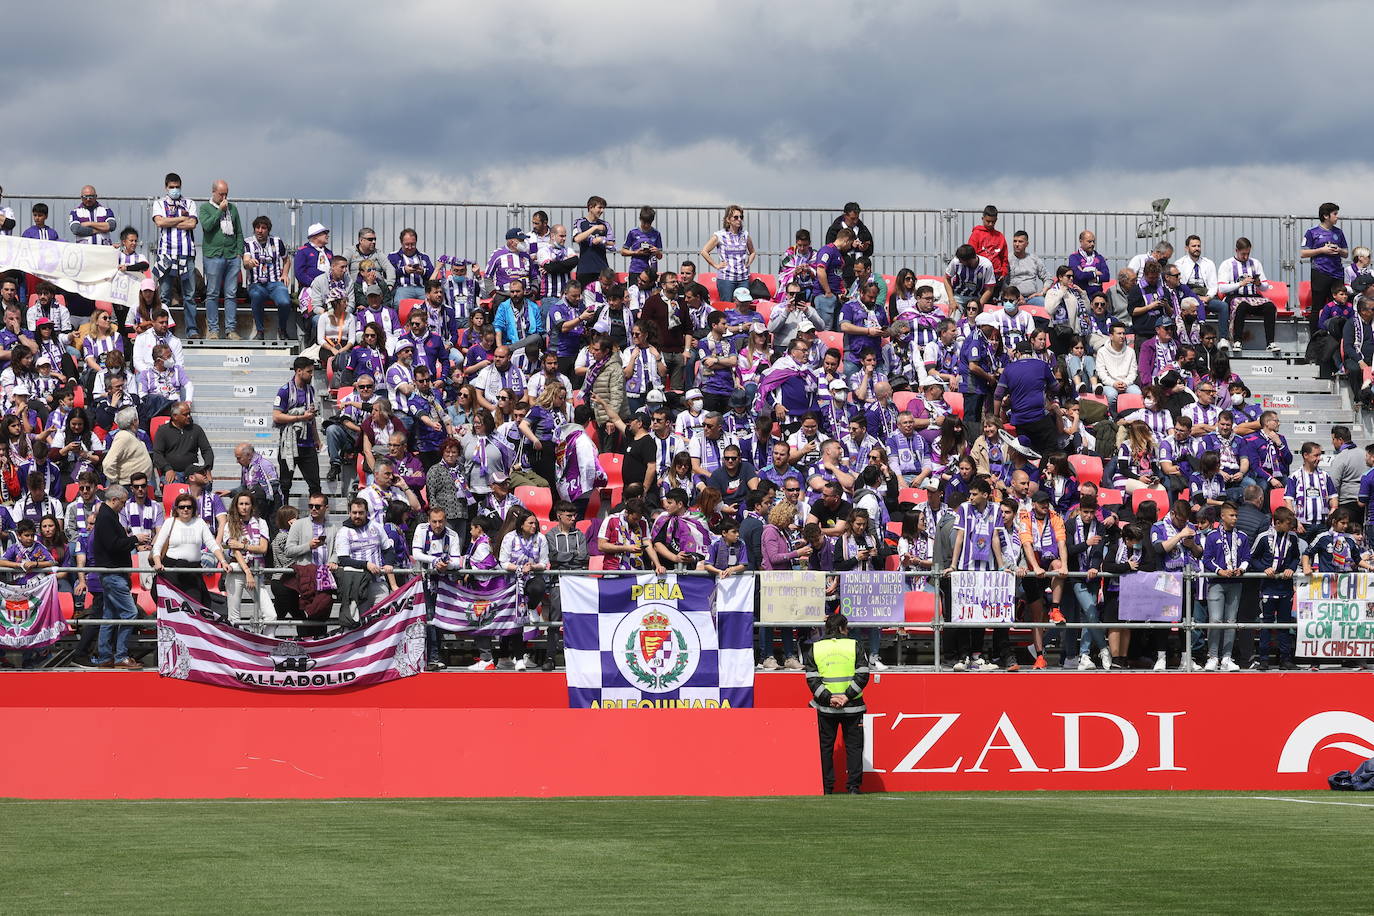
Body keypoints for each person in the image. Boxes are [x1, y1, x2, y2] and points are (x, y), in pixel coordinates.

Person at [804, 611, 869, 795]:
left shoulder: (815, 648)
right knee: (854, 748)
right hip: (852, 706)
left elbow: (811, 679)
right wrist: (847, 696)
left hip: (825, 707)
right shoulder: (854, 645)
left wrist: (829, 697)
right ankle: (854, 788)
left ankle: (826, 787)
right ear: (842, 628)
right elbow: (863, 673)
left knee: (825, 748)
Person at [87, 485, 150, 669]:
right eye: (122, 503)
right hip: (113, 573)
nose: (123, 506)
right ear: (114, 500)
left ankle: (106, 656)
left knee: (110, 615)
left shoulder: (107, 516)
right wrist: (135, 539)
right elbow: (113, 545)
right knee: (130, 613)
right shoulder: (106, 517)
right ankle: (121, 655)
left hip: (112, 573)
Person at [151, 491, 228, 608]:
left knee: (195, 607)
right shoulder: (169, 522)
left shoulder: (200, 522)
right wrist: (157, 563)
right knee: (172, 608)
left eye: (189, 507)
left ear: (193, 508)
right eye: (182, 507)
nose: (185, 509)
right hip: (172, 571)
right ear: (176, 509)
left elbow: (212, 544)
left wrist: (223, 561)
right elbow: (158, 546)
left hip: (193, 571)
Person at [329, 497, 395, 630]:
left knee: (383, 620)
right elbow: (343, 559)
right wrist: (366, 565)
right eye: (354, 513)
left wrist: (388, 563)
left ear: (366, 513)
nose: (357, 516)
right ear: (349, 513)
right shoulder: (344, 532)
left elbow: (388, 549)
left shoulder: (376, 527)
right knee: (360, 623)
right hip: (357, 585)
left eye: (361, 512)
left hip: (378, 582)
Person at [151, 173, 199, 331]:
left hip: (187, 253)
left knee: (189, 295)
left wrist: (170, 221)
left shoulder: (189, 203)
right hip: (166, 254)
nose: (174, 190)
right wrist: (180, 219)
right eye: (171, 187)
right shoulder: (159, 203)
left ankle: (192, 329)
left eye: (177, 187)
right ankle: (164, 328)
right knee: (164, 295)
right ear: (166, 187)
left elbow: (192, 224)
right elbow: (160, 222)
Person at [197, 180, 244, 339]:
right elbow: (207, 226)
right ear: (213, 192)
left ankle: (231, 329)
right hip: (213, 256)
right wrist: (219, 212)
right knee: (212, 293)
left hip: (232, 256)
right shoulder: (204, 208)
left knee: (231, 293)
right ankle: (213, 330)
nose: (224, 197)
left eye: (226, 194)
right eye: (221, 194)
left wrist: (239, 253)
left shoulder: (233, 209)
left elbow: (238, 232)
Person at [274, 356, 322, 500]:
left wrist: (317, 439)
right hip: (289, 443)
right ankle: (283, 517)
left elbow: (311, 417)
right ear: (299, 371)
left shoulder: (310, 390)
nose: (311, 374)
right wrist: (300, 417)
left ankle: (316, 516)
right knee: (285, 485)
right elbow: (276, 416)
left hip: (307, 445)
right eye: (309, 371)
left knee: (315, 485)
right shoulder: (285, 390)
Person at [219, 490, 268, 627]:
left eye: (247, 504)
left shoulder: (261, 522)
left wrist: (241, 545)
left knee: (270, 615)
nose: (244, 507)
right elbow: (235, 551)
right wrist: (247, 571)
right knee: (234, 617)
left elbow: (263, 548)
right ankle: (236, 647)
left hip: (256, 569)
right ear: (236, 506)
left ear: (252, 506)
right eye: (241, 504)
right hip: (236, 569)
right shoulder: (230, 524)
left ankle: (263, 644)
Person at [1301, 202, 1349, 340]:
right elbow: (1303, 253)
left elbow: (1346, 253)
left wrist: (1338, 250)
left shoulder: (1338, 232)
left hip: (1337, 274)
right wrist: (1322, 250)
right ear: (1325, 216)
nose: (1337, 217)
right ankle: (1316, 340)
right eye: (1335, 214)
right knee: (1318, 307)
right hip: (1320, 272)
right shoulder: (1312, 232)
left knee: (1340, 304)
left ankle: (1339, 340)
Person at [243, 215, 292, 340]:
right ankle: (260, 331)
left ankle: (282, 329)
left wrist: (285, 274)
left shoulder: (276, 241)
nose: (260, 230)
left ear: (268, 230)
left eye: (263, 228)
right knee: (256, 296)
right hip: (256, 283)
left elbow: (286, 259)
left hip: (275, 283)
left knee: (285, 302)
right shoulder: (248, 242)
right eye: (257, 227)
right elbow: (245, 261)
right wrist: (249, 263)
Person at [700, 204, 756, 303]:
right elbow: (704, 251)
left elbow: (752, 252)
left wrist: (748, 264)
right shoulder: (720, 235)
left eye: (741, 217)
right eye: (735, 217)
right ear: (728, 219)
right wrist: (716, 265)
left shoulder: (745, 235)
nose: (739, 219)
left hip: (743, 278)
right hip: (726, 278)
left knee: (743, 306)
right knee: (727, 306)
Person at [151, 402, 213, 484]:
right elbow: (157, 454)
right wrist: (167, 469)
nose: (189, 416)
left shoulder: (196, 429)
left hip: (192, 471)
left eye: (189, 413)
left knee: (206, 483)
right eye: (185, 414)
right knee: (173, 486)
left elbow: (207, 450)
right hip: (173, 471)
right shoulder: (163, 431)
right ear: (175, 416)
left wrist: (207, 468)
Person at [102, 406, 152, 486]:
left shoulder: (131, 435)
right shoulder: (123, 436)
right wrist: (114, 482)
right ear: (134, 421)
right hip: (127, 486)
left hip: (140, 484)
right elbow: (107, 463)